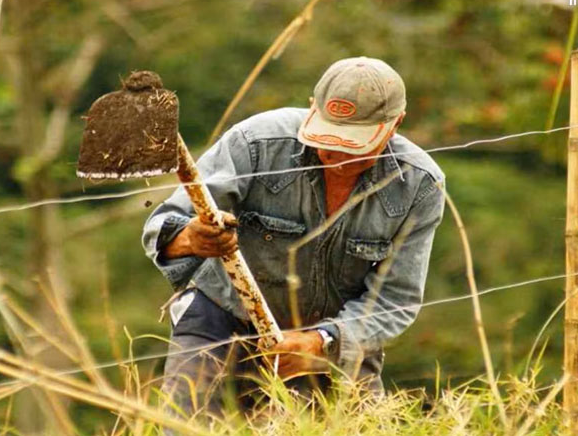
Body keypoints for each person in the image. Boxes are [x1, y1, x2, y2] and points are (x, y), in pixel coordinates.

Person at [142, 56, 445, 417]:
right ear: (312, 109)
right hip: (221, 321)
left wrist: (320, 343)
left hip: (334, 342)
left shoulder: (419, 186)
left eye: (355, 146)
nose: (336, 156)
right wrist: (192, 239)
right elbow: (164, 227)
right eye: (328, 140)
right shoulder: (256, 142)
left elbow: (395, 298)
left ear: (395, 124)